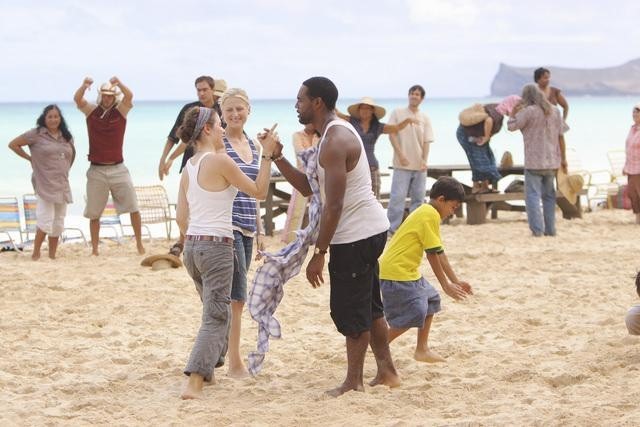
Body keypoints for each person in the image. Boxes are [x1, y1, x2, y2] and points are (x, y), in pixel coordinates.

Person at [269, 76, 400, 397]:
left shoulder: (334, 141)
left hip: (355, 236)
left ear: (317, 103)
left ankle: (353, 381)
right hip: (368, 229)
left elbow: (334, 204)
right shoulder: (331, 133)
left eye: (300, 100)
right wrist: (276, 156)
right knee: (370, 308)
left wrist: (319, 252)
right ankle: (387, 371)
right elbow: (309, 189)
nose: (296, 105)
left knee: (351, 312)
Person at [175, 106, 277, 399]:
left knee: (217, 313)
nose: (222, 130)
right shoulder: (221, 161)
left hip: (192, 247)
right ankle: (194, 381)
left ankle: (208, 372)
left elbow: (182, 218)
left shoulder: (189, 167)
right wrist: (267, 154)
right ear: (207, 129)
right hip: (217, 246)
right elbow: (259, 191)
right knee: (217, 317)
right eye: (219, 125)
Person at [379, 177, 473, 362]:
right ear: (441, 199)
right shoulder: (429, 214)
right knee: (413, 313)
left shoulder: (428, 212)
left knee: (431, 300)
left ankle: (421, 349)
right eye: (453, 207)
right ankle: (379, 345)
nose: (453, 212)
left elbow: (440, 253)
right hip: (396, 273)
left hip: (407, 272)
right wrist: (445, 284)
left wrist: (455, 281)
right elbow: (432, 255)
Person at [219, 88, 265, 378]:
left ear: (248, 110)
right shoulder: (218, 144)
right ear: (222, 114)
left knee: (237, 296)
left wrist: (260, 231)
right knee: (237, 296)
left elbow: (257, 192)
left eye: (240, 109)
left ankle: (222, 353)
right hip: (226, 223)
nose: (235, 114)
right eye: (229, 110)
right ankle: (234, 360)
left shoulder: (254, 145)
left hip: (249, 225)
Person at [73, 76, 145, 255]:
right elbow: (77, 100)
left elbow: (130, 96)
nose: (107, 99)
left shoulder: (120, 111)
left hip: (118, 168)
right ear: (100, 96)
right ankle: (95, 249)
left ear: (114, 97)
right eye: (104, 95)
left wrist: (119, 83)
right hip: (96, 169)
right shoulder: (92, 111)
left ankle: (139, 244)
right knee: (94, 213)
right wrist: (84, 86)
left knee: (133, 207)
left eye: (110, 96)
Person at [158, 76, 225, 257]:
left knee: (206, 207)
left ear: (212, 90)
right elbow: (175, 137)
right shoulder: (190, 110)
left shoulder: (221, 111)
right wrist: (164, 159)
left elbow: (231, 137)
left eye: (205, 89)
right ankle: (183, 241)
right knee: (186, 205)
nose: (202, 93)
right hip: (192, 163)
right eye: (199, 90)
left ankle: (186, 242)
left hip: (215, 165)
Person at [8, 105, 76, 260]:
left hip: (62, 184)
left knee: (58, 222)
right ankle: (36, 253)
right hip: (44, 182)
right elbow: (13, 144)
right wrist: (30, 158)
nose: (53, 119)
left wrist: (65, 169)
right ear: (44, 119)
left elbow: (71, 154)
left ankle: (52, 255)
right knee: (45, 220)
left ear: (60, 118)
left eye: (56, 116)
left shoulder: (66, 136)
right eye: (50, 117)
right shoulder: (36, 134)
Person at [508, 84, 568, 237]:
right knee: (549, 196)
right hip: (552, 161)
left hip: (534, 161)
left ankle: (537, 230)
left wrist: (513, 112)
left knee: (533, 196)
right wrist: (564, 159)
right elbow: (561, 135)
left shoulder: (528, 112)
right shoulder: (555, 111)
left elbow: (511, 126)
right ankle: (551, 230)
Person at [335, 97, 418, 198]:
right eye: (362, 108)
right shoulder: (351, 121)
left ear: (372, 111)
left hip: (372, 166)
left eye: (367, 108)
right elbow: (337, 114)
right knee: (354, 197)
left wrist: (408, 120)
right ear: (358, 110)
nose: (364, 111)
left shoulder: (378, 126)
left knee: (375, 197)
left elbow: (396, 128)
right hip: (354, 166)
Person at [386, 85, 435, 234]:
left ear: (422, 98)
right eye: (412, 93)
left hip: (419, 166)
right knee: (397, 199)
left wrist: (424, 160)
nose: (414, 96)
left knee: (418, 200)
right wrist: (400, 154)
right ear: (408, 95)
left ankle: (414, 230)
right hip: (401, 164)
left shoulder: (424, 117)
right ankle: (391, 230)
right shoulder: (397, 113)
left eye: (417, 94)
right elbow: (392, 134)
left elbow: (427, 141)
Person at [456, 96, 520, 193]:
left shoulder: (495, 107)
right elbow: (489, 120)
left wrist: (486, 138)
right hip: (468, 135)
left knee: (484, 157)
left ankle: (483, 186)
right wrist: (486, 137)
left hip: (472, 135)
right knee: (479, 159)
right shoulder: (498, 113)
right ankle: (477, 187)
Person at [281, 123, 320, 243]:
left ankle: (316, 239)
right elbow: (301, 155)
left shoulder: (321, 136)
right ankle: (290, 239)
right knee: (295, 211)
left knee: (320, 210)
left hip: (318, 178)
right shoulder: (297, 135)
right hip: (301, 177)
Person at [623, 103, 640, 224]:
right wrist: (625, 165)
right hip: (630, 167)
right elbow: (629, 148)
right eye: (633, 112)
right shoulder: (632, 128)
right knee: (632, 193)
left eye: (637, 112)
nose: (635, 115)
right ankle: (638, 217)